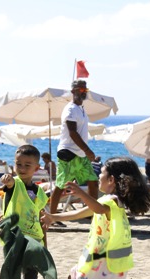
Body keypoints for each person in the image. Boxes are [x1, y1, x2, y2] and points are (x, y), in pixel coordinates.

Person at [42, 157, 150, 279]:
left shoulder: (112, 200)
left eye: (101, 173)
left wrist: (81, 193)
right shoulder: (110, 201)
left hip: (103, 262)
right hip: (108, 262)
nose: (98, 177)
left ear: (111, 180)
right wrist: (54, 217)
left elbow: (98, 209)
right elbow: (82, 212)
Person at [0, 144, 49, 279]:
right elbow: (9, 184)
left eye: (28, 165)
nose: (22, 168)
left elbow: (41, 219)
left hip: (33, 242)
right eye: (18, 164)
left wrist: (45, 244)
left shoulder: (40, 192)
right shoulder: (14, 185)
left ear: (37, 168)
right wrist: (8, 180)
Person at [49, 80, 99, 217]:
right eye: (80, 90)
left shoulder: (81, 109)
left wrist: (85, 151)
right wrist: (88, 150)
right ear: (73, 91)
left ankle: (92, 213)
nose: (83, 93)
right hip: (68, 152)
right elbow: (72, 132)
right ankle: (52, 216)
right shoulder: (70, 109)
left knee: (93, 181)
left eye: (85, 90)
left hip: (80, 154)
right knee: (61, 185)